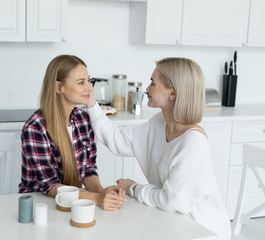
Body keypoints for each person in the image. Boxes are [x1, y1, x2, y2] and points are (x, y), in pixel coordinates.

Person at [86, 57, 231, 239]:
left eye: (153, 83)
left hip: (203, 230)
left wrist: (134, 188)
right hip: (172, 219)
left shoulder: (193, 142)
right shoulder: (159, 123)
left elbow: (172, 200)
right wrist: (91, 102)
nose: (147, 89)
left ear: (172, 94)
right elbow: (118, 141)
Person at [19, 54, 126, 211]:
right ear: (58, 88)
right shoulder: (35, 128)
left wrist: (102, 191)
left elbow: (88, 170)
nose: (89, 87)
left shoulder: (83, 119)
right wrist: (97, 198)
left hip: (73, 204)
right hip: (39, 206)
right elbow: (49, 186)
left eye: (88, 81)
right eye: (81, 82)